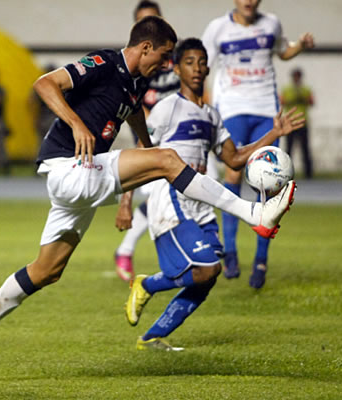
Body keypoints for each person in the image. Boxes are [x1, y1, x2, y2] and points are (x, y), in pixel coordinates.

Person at [0, 16, 296, 383]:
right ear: (145, 47)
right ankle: (254, 212)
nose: (165, 65)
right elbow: (44, 84)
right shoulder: (103, 63)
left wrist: (149, 149)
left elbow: (131, 116)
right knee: (166, 160)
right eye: (162, 57)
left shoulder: (135, 84)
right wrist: (79, 125)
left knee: (47, 270)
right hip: (68, 168)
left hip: (83, 177)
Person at [124, 38, 304, 351]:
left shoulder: (212, 116)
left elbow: (233, 159)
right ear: (177, 68)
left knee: (210, 275)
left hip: (203, 206)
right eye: (189, 62)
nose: (197, 68)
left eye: (202, 62)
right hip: (171, 200)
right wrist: (125, 203)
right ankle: (146, 284)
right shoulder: (167, 108)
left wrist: (274, 134)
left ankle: (152, 338)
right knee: (203, 269)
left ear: (209, 67)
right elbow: (140, 153)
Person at [202, 0, 314, 287]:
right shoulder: (217, 29)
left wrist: (299, 45)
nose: (249, 1)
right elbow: (201, 68)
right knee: (233, 174)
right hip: (231, 110)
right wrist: (204, 108)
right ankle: (230, 252)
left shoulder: (271, 24)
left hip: (267, 112)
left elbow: (283, 51)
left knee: (271, 184)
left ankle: (261, 259)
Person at [114, 0, 181, 282]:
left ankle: (129, 250)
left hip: (180, 138)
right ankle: (173, 263)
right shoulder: (133, 69)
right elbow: (138, 110)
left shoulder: (174, 62)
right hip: (152, 138)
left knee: (178, 194)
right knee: (162, 196)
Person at [281, 67, 314, 179]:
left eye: (298, 76)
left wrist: (302, 98)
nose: (296, 79)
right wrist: (293, 99)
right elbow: (282, 101)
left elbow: (311, 102)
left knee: (305, 149)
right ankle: (286, 172)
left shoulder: (305, 89)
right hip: (290, 123)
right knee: (288, 149)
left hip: (303, 123)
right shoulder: (287, 89)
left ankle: (308, 173)